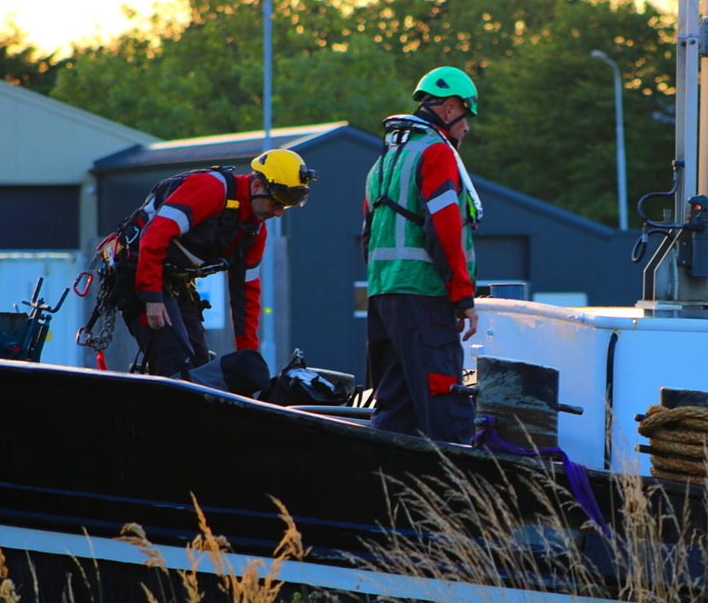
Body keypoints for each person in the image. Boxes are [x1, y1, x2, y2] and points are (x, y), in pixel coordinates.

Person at [114, 149, 316, 376]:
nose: (279, 213)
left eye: (285, 207)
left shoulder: (255, 231)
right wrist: (151, 298)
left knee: (200, 365)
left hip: (176, 282)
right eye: (277, 204)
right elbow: (152, 237)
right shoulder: (211, 189)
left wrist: (247, 355)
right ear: (257, 186)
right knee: (174, 364)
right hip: (139, 273)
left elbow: (246, 294)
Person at [362, 66, 483, 443]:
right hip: (424, 298)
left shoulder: (382, 163)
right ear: (449, 109)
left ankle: (384, 494)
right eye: (466, 117)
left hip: (384, 297)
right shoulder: (436, 153)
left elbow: (366, 237)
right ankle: (461, 498)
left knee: (395, 409)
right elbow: (444, 231)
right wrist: (462, 296)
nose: (467, 128)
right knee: (445, 406)